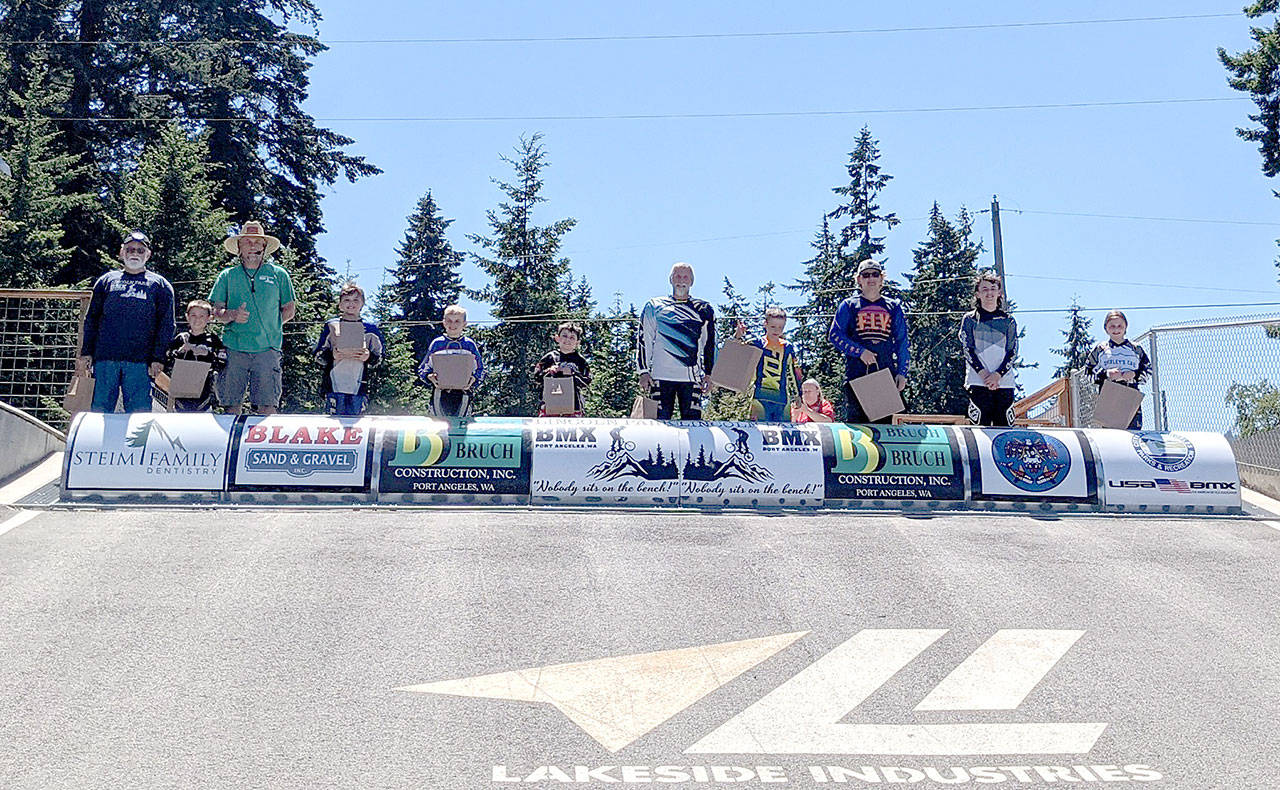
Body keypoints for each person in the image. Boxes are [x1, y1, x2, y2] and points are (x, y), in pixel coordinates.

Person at [78, 230, 176, 413]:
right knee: (100, 411)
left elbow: (166, 325)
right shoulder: (106, 281)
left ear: (148, 254)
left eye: (140, 250)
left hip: (140, 362)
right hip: (105, 359)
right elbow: (91, 318)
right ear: (122, 252)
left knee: (139, 415)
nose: (135, 253)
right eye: (130, 249)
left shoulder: (161, 285)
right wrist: (86, 352)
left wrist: (158, 358)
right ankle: (99, 443)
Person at [208, 221, 296, 415]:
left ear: (265, 247)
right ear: (239, 247)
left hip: (268, 350)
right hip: (233, 349)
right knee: (230, 405)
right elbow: (216, 312)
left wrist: (271, 325)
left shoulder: (279, 274)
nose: (253, 246)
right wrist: (232, 315)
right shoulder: (227, 276)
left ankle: (264, 445)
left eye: (258, 242)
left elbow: (289, 309)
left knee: (267, 407)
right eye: (248, 242)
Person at [828, 258, 909, 423]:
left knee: (889, 429)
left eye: (875, 274)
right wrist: (859, 352)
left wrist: (902, 372)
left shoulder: (893, 307)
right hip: (857, 376)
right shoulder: (849, 305)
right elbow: (834, 335)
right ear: (858, 279)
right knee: (858, 430)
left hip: (887, 376)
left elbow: (902, 341)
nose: (870, 278)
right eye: (865, 275)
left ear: (881, 279)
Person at [637, 262, 716, 420]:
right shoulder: (654, 306)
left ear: (692, 281)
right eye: (677, 276)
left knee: (694, 426)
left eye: (685, 276)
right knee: (658, 426)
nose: (681, 280)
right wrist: (643, 371)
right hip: (660, 376)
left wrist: (710, 374)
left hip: (692, 378)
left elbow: (710, 343)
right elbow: (644, 339)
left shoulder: (704, 309)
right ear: (670, 279)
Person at [314, 283, 385, 417]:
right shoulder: (331, 325)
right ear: (340, 304)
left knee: (356, 426)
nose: (351, 304)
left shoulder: (371, 329)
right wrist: (331, 355)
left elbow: (380, 358)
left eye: (355, 300)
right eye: (346, 300)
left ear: (363, 303)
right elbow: (318, 355)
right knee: (334, 426)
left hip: (359, 388)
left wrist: (368, 357)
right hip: (334, 387)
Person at [959, 272, 1019, 426]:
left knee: (1004, 431)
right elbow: (968, 349)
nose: (989, 293)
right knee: (979, 431)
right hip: (978, 382)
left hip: (1004, 383)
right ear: (977, 294)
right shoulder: (970, 319)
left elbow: (1012, 351)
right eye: (984, 289)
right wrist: (984, 374)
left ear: (999, 293)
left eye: (993, 288)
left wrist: (997, 375)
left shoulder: (1008, 321)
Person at [733, 307, 804, 422]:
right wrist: (738, 335)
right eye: (773, 327)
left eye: (780, 327)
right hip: (760, 397)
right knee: (760, 432)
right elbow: (735, 352)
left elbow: (792, 372)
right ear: (765, 324)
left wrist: (797, 395)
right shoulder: (756, 343)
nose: (777, 330)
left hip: (781, 400)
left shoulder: (787, 347)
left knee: (783, 433)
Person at [1085, 309, 1152, 430]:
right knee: (1111, 435)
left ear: (1126, 327)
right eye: (1112, 326)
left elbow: (1148, 370)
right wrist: (1106, 374)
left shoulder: (1136, 349)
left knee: (1133, 432)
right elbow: (1088, 372)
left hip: (1130, 394)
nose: (1116, 329)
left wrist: (1134, 375)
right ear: (1106, 328)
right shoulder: (1100, 349)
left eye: (1120, 325)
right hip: (1108, 395)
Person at [417, 304, 484, 417]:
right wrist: (430, 377)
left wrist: (473, 380)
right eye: (449, 321)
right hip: (440, 394)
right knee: (439, 426)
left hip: (463, 394)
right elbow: (423, 369)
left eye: (457, 321)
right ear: (444, 323)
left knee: (460, 426)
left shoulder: (469, 345)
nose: (452, 325)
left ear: (464, 324)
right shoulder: (437, 344)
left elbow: (481, 370)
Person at [164, 299, 228, 412]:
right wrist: (179, 352)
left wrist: (207, 354)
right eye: (193, 315)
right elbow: (167, 361)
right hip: (180, 394)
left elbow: (222, 363)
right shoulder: (181, 338)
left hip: (204, 393)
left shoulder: (213, 340)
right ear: (187, 317)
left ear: (209, 318)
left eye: (202, 316)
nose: (197, 319)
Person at [534, 321, 592, 417]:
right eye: (564, 336)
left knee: (572, 431)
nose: (568, 340)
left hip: (573, 406)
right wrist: (549, 371)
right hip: (549, 405)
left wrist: (573, 373)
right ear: (557, 338)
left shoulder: (581, 361)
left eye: (572, 337)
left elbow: (587, 381)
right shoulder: (549, 357)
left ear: (577, 342)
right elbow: (536, 377)